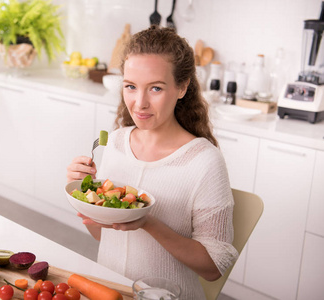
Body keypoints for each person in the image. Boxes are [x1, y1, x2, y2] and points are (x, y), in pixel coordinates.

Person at [66, 25, 238, 299]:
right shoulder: (115, 143)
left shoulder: (204, 161)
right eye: (131, 87)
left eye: (155, 88)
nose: (139, 103)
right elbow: (105, 237)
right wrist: (85, 196)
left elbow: (213, 267)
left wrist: (147, 222)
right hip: (109, 291)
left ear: (182, 87)